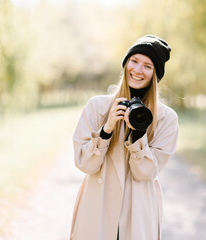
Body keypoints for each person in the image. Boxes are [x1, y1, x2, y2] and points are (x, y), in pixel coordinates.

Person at [70, 35, 179, 240]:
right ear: (126, 63)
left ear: (155, 74)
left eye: (148, 66)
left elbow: (145, 173)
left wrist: (139, 136)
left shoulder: (166, 119)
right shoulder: (97, 107)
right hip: (98, 208)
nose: (138, 70)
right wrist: (107, 129)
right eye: (134, 61)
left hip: (138, 213)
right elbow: (84, 164)